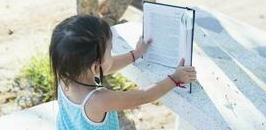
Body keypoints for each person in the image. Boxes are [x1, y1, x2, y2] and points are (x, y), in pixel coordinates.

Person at [49, 14, 197, 130]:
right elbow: (144, 96)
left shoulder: (66, 74)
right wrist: (175, 78)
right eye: (110, 49)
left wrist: (135, 54)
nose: (111, 54)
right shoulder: (98, 100)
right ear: (95, 67)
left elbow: (107, 66)